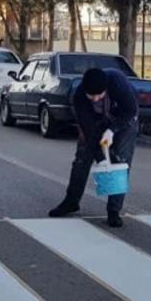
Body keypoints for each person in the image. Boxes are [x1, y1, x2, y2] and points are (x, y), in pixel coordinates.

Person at [48, 67, 139, 227]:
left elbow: (131, 111)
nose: (96, 99)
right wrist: (101, 158)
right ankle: (71, 202)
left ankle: (114, 211)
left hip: (124, 121)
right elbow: (89, 130)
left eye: (100, 95)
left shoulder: (118, 83)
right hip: (96, 123)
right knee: (81, 160)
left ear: (106, 89)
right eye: (92, 96)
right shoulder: (79, 96)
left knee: (120, 162)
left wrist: (112, 130)